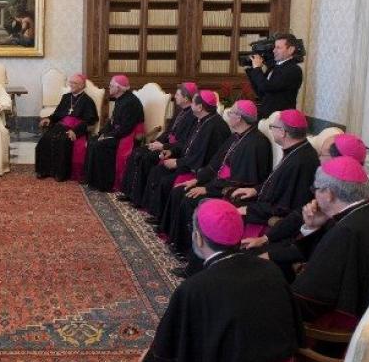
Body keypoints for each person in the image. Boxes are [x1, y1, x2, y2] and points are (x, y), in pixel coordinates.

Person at [119, 200, 302, 362]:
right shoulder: (271, 271)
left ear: (197, 238)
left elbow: (165, 354)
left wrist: (150, 358)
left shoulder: (195, 288)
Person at [243, 133, 369, 281]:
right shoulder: (341, 183)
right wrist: (267, 238)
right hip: (307, 248)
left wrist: (275, 254)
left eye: (322, 154)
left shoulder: (350, 198)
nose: (317, 157)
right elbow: (302, 215)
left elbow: (328, 249)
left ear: (339, 161)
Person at [291, 158, 369, 334]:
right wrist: (312, 227)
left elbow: (308, 299)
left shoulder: (346, 233)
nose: (313, 195)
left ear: (329, 194)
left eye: (315, 190)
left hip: (340, 330)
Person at [161, 100, 273, 277]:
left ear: (240, 118)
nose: (228, 115)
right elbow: (214, 164)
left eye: (232, 112)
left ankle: (195, 259)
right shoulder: (236, 136)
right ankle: (182, 247)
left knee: (191, 202)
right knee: (181, 192)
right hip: (217, 184)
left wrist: (208, 190)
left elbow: (242, 181)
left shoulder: (256, 143)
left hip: (231, 193)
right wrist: (197, 180)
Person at [136, 90, 229, 221]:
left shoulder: (215, 127)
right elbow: (187, 144)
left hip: (198, 169)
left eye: (193, 103)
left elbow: (203, 157)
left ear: (200, 107)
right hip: (188, 161)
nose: (191, 105)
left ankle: (162, 219)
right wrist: (172, 152)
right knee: (157, 171)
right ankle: (155, 212)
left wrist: (178, 162)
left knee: (165, 180)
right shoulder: (202, 120)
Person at [229, 109, 319, 238]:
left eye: (273, 127)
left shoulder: (300, 162)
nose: (271, 130)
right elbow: (276, 183)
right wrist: (255, 190)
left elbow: (284, 206)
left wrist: (250, 210)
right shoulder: (297, 150)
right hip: (266, 205)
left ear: (282, 132)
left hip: (276, 221)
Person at [118, 82, 198, 204]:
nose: (174, 96)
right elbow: (168, 132)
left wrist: (163, 146)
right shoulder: (180, 111)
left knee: (146, 158)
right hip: (165, 145)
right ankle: (130, 193)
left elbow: (186, 142)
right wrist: (156, 142)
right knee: (136, 152)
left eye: (177, 94)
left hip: (174, 151)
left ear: (186, 98)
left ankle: (138, 199)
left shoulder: (193, 117)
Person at [83, 75, 144, 192]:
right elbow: (112, 121)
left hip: (126, 136)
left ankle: (105, 184)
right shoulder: (121, 99)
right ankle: (91, 179)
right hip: (118, 132)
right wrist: (102, 133)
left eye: (111, 85)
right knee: (93, 140)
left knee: (100, 145)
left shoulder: (130, 102)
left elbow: (126, 127)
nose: (109, 87)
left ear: (119, 88)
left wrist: (108, 136)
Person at [34, 73, 99, 181]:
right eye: (70, 82)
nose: (71, 85)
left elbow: (90, 121)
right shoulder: (66, 97)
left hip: (75, 128)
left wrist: (76, 131)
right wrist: (49, 119)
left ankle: (60, 173)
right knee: (45, 139)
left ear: (82, 85)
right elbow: (57, 114)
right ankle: (44, 170)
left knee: (63, 141)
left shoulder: (88, 101)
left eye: (74, 83)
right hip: (61, 126)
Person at [245, 33, 303, 119]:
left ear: (290, 50)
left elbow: (267, 87)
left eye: (278, 48)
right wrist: (251, 69)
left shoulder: (293, 69)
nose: (274, 50)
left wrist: (257, 68)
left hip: (280, 119)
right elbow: (261, 92)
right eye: (274, 47)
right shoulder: (273, 67)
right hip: (266, 116)